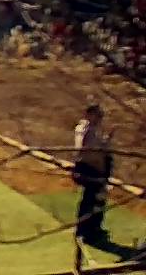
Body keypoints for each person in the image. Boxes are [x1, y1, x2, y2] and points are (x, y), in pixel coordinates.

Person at [74, 104, 113, 243]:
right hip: (89, 169)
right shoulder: (85, 129)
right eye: (97, 115)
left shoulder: (94, 130)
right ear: (89, 114)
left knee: (97, 199)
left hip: (96, 170)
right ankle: (87, 231)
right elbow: (86, 149)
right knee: (91, 200)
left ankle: (92, 228)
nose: (100, 118)